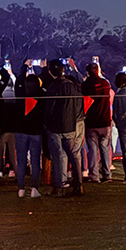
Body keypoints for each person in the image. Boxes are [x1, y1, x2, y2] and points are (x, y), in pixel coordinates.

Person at [43, 60, 84, 197]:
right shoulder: (72, 86)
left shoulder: (53, 87)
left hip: (55, 126)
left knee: (58, 156)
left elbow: (49, 108)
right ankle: (78, 185)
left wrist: (47, 122)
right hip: (70, 125)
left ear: (50, 71)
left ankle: (59, 187)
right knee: (73, 155)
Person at [14, 67, 45, 198]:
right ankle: (34, 188)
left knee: (20, 161)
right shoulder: (42, 96)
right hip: (36, 132)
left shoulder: (20, 94)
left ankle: (20, 188)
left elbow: (18, 83)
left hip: (20, 131)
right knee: (35, 161)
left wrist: (23, 68)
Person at [82, 62, 112, 183]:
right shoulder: (105, 84)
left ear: (87, 72)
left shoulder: (86, 85)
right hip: (105, 120)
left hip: (92, 121)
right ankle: (107, 174)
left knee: (93, 150)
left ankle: (94, 175)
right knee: (104, 148)